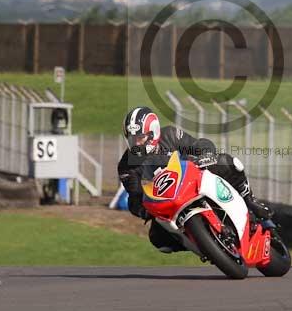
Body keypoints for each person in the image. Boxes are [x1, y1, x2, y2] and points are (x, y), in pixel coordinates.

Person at [117, 106, 273, 253]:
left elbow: (198, 145)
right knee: (157, 239)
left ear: (153, 132)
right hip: (167, 203)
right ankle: (202, 245)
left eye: (140, 137)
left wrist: (205, 155)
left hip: (193, 180)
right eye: (131, 139)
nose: (136, 143)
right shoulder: (126, 166)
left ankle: (249, 199)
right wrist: (144, 210)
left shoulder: (170, 135)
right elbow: (135, 194)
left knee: (227, 162)